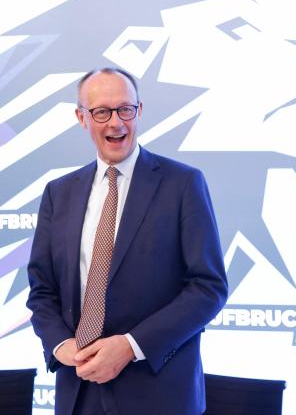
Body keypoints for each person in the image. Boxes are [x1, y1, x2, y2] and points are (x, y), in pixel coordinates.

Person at [27, 67, 228, 415]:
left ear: (139, 110)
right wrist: (61, 345)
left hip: (158, 394)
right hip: (78, 390)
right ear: (81, 118)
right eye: (102, 112)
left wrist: (131, 346)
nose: (116, 123)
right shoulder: (58, 193)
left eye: (125, 109)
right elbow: (42, 290)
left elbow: (208, 287)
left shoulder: (183, 184)